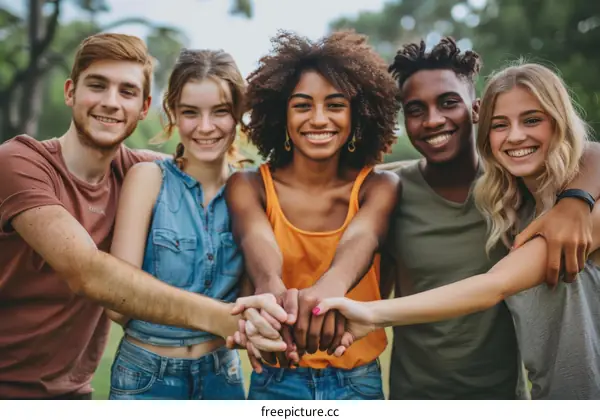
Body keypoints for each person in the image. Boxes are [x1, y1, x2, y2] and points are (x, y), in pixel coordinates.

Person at [0, 33, 285, 399]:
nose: (110, 102)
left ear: (144, 106)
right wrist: (225, 318)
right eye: (98, 86)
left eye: (127, 92)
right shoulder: (19, 162)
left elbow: (198, 170)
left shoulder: (139, 169)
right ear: (70, 91)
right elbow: (89, 272)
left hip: (73, 394)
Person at [314, 62, 600, 400]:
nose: (516, 135)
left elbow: (493, 286)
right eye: (500, 125)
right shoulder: (513, 205)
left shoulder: (582, 213)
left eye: (533, 120)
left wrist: (374, 315)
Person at [225, 30, 400, 400]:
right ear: (281, 116)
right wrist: (270, 286)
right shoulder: (249, 185)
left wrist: (325, 293)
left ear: (357, 115)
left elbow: (362, 239)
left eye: (335, 105)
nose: (319, 119)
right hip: (275, 379)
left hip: (357, 380)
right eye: (302, 105)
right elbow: (259, 244)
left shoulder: (379, 186)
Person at [105, 49, 262, 400]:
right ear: (173, 113)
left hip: (223, 374)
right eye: (191, 112)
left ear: (239, 114)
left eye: (220, 111)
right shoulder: (148, 179)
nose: (205, 127)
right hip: (146, 372)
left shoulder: (252, 191)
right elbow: (117, 300)